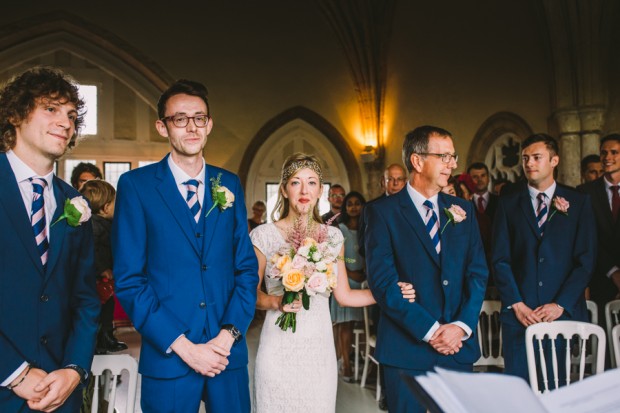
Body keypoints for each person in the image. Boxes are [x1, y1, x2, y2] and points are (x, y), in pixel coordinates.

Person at [112, 79, 259, 412]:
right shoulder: (137, 186)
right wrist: (185, 347)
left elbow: (246, 270)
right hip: (169, 359)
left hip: (227, 358)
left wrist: (227, 337)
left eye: (199, 118)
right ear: (162, 127)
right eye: (180, 118)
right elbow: (130, 280)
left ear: (209, 124)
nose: (191, 127)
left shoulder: (229, 183)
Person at [249, 153, 414, 413]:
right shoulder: (263, 235)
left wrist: (387, 292)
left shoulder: (333, 236)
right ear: (283, 189)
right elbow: (250, 294)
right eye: (296, 182)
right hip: (277, 346)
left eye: (312, 182)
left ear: (320, 190)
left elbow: (345, 296)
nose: (304, 190)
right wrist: (276, 301)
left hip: (318, 347)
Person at [365, 125, 488, 412]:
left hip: (458, 348)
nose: (454, 164)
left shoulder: (463, 210)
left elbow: (478, 274)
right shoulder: (383, 213)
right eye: (444, 156)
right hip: (406, 350)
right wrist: (432, 331)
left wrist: (460, 326)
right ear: (417, 161)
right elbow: (384, 284)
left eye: (453, 156)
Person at [0, 67, 100, 412]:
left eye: (72, 115)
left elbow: (85, 300)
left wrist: (73, 370)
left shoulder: (76, 203)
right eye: (51, 109)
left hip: (60, 394)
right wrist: (13, 373)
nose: (66, 122)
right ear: (15, 114)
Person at [492, 133, 596, 387]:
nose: (529, 163)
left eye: (537, 157)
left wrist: (560, 304)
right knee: (519, 389)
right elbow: (499, 259)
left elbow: (585, 260)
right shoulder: (507, 204)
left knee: (557, 388)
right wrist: (517, 304)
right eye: (525, 158)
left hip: (561, 314)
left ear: (554, 160)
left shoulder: (579, 203)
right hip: (520, 315)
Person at [79, 180, 127, 354]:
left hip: (105, 279)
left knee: (107, 308)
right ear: (106, 207)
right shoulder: (93, 225)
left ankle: (106, 336)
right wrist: (101, 268)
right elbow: (90, 249)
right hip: (96, 279)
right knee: (98, 310)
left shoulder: (106, 224)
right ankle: (99, 339)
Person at [577, 134, 620, 326]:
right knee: (604, 345)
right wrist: (613, 273)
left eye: (614, 152)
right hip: (600, 278)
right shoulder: (585, 192)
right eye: (604, 152)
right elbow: (587, 238)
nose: (607, 157)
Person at [330, 191, 366, 382]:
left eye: (357, 203)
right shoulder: (340, 229)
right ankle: (345, 364)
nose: (353, 207)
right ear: (345, 207)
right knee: (345, 325)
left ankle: (361, 358)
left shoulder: (366, 228)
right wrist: (351, 274)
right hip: (346, 280)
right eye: (349, 204)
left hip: (364, 281)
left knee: (362, 324)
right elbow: (338, 258)